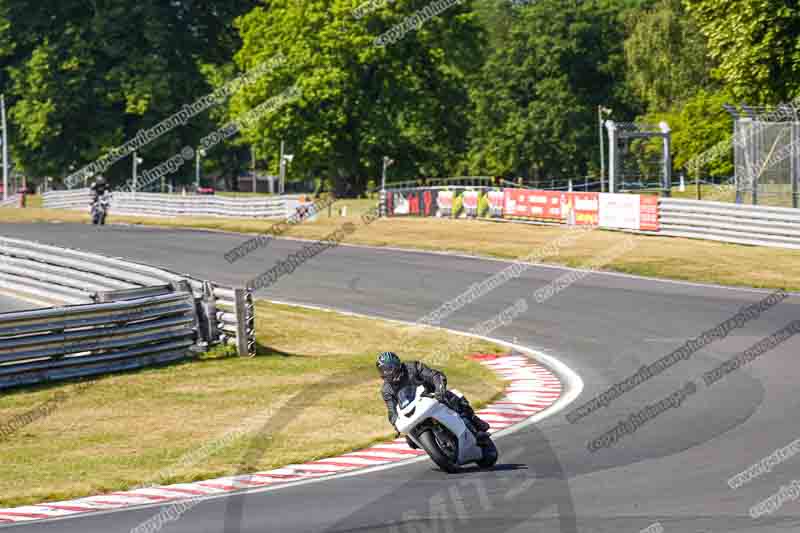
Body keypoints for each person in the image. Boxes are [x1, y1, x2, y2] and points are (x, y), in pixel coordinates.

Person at [376, 351, 491, 445]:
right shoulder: (386, 390)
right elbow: (391, 410)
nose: (386, 373)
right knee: (410, 441)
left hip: (431, 397)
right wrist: (396, 424)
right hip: (412, 410)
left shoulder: (413, 367)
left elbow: (434, 375)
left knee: (452, 398)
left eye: (388, 368)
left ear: (396, 365)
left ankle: (475, 424)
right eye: (383, 370)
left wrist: (439, 388)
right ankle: (435, 446)